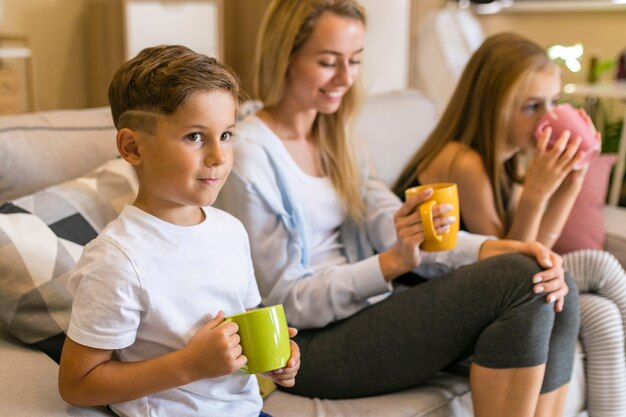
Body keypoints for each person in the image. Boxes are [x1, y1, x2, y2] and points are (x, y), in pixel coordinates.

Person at [218, 2, 580, 416]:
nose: (345, 78)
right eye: (328, 62)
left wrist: (490, 249)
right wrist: (388, 266)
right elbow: (283, 301)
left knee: (553, 285)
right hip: (306, 345)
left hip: (368, 316)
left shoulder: (345, 143)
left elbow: (397, 227)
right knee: (523, 277)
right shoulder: (248, 154)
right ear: (286, 57)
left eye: (354, 61)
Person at [57, 45, 300, 417]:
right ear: (133, 146)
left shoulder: (231, 231)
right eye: (194, 137)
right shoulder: (117, 258)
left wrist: (274, 356)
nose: (218, 156)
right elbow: (76, 383)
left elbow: (245, 326)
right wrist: (189, 364)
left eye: (226, 135)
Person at [394, 32, 626, 416]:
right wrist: (536, 193)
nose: (546, 118)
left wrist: (573, 180)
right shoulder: (462, 161)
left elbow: (539, 245)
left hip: (489, 302)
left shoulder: (505, 160)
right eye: (532, 106)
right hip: (433, 313)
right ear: (491, 107)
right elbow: (511, 270)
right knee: (598, 267)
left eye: (553, 103)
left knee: (598, 312)